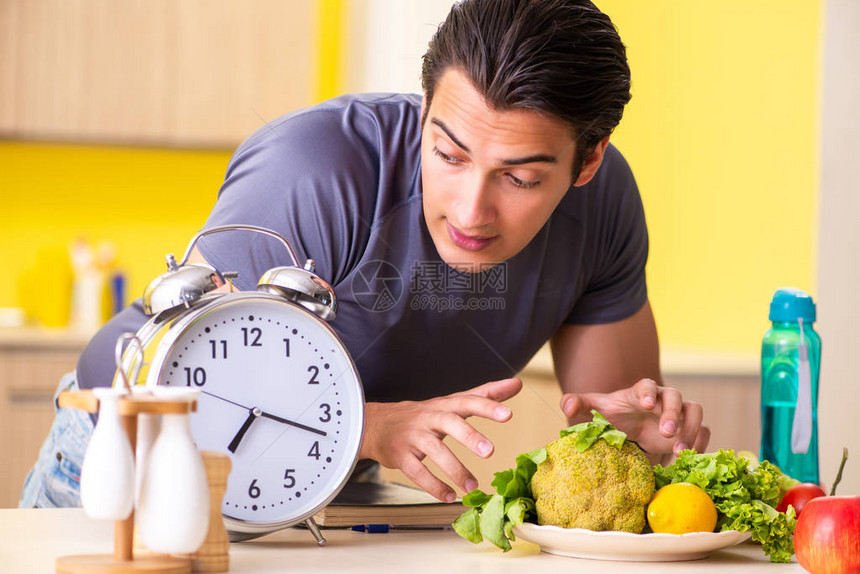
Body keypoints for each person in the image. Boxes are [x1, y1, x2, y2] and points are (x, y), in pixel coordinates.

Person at [21, 0, 709, 508]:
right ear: (421, 111)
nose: (471, 209)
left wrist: (645, 439)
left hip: (322, 480)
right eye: (448, 153)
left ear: (587, 161)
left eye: (522, 178)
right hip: (126, 459)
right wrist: (371, 424)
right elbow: (170, 376)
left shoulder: (606, 206)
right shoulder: (317, 171)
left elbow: (608, 424)